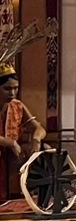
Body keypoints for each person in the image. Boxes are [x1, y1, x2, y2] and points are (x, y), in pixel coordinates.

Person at [0, 65, 47, 201]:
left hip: (12, 156)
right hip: (6, 151)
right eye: (7, 89)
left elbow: (39, 129)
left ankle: (27, 195)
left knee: (45, 149)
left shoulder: (17, 105)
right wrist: (9, 143)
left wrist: (36, 140)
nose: (12, 93)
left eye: (15, 88)